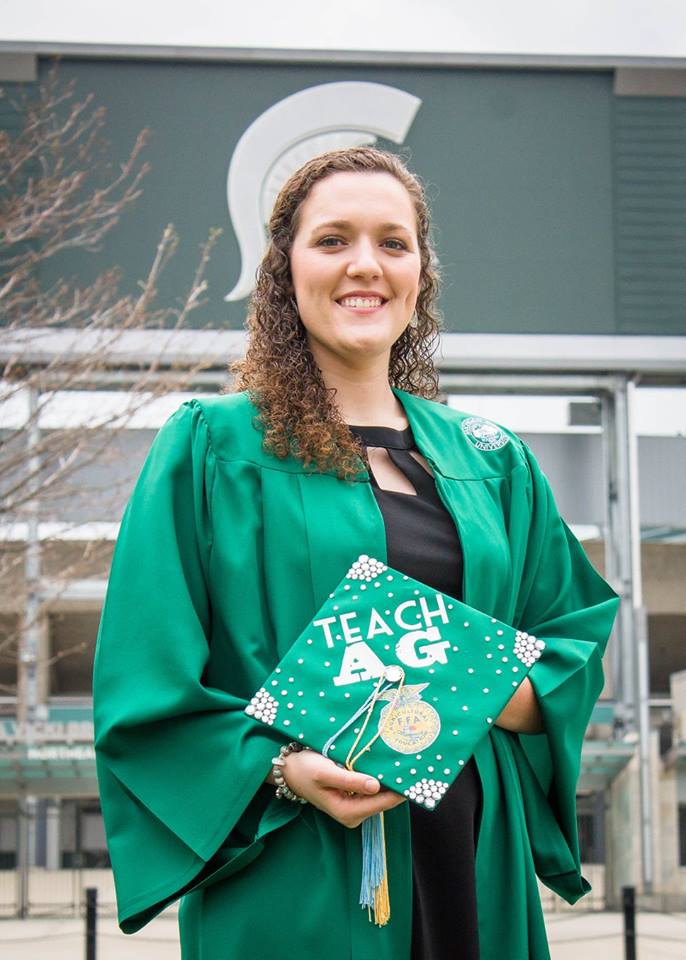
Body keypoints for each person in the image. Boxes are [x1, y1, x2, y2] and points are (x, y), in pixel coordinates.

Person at [93, 146, 619, 960]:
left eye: (393, 243)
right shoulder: (212, 448)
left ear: (420, 274)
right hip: (295, 865)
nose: (365, 265)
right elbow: (145, 688)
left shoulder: (492, 459)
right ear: (285, 268)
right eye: (333, 239)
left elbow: (569, 645)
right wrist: (283, 769)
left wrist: (455, 682)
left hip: (473, 850)